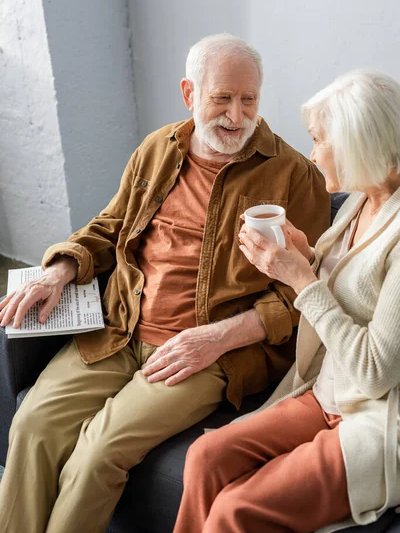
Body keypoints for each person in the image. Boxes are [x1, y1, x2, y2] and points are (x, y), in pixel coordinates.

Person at [0, 34, 329, 533]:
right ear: (189, 94)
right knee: (32, 427)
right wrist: (59, 269)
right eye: (222, 98)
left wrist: (216, 338)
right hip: (119, 330)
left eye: (249, 100)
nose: (236, 116)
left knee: (99, 453)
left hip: (206, 350)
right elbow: (109, 227)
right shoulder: (158, 150)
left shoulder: (294, 177)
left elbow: (301, 295)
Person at [173, 68, 400, 533]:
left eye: (319, 141)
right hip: (327, 394)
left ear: (358, 143)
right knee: (205, 457)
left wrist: (301, 280)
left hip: (377, 419)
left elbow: (376, 374)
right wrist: (308, 257)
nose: (313, 156)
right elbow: (355, 290)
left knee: (235, 511)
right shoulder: (362, 200)